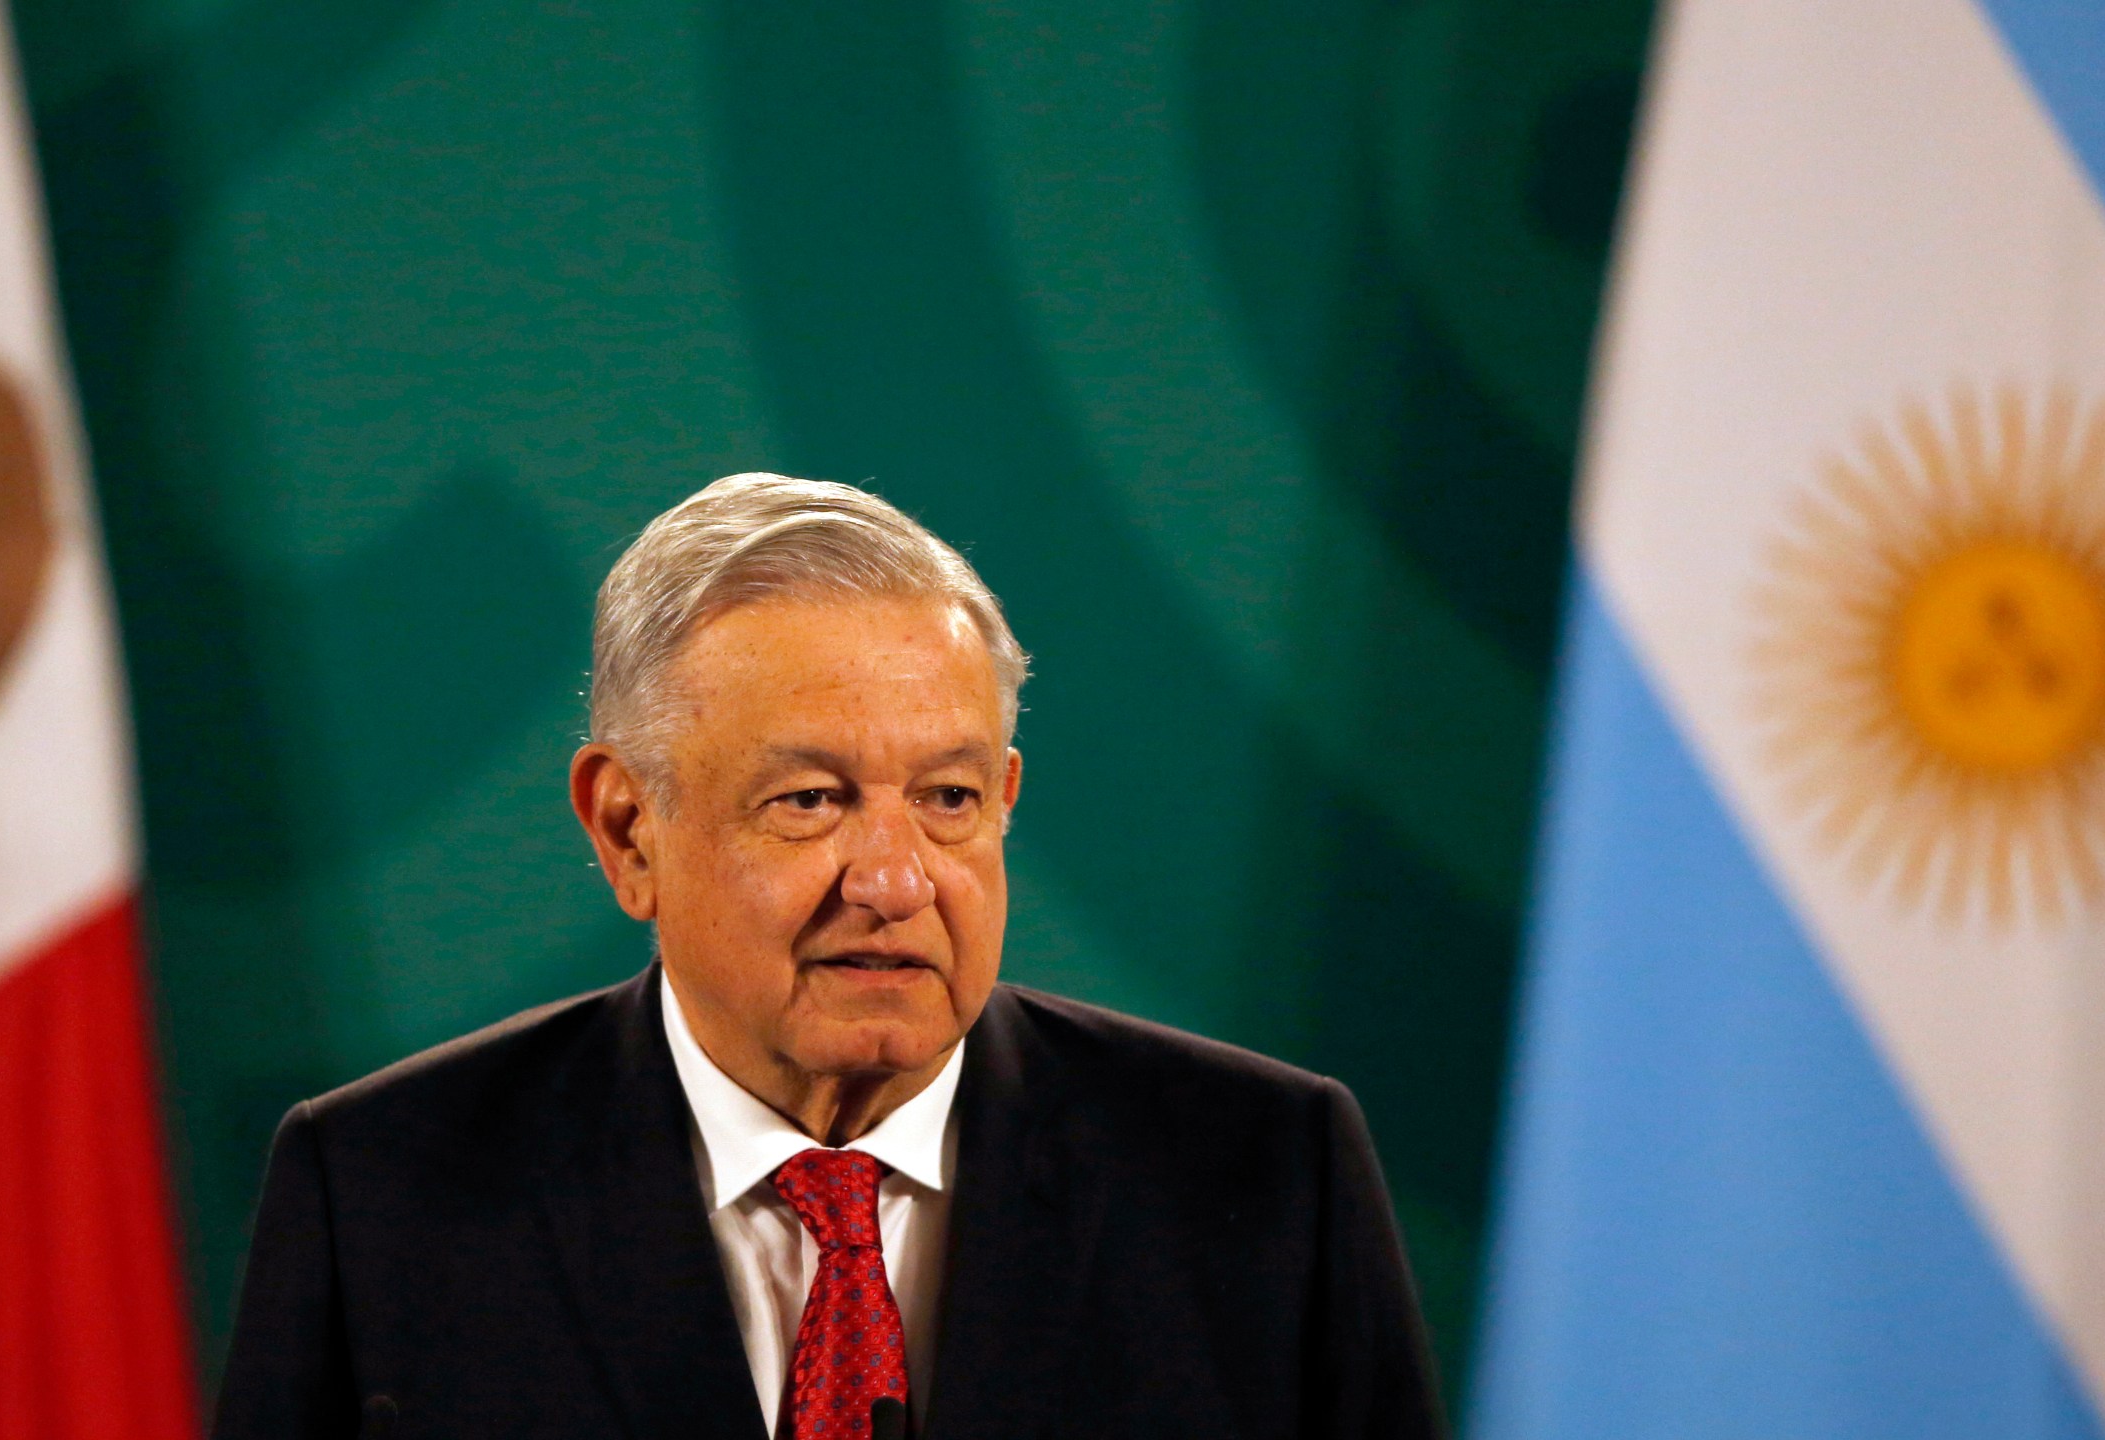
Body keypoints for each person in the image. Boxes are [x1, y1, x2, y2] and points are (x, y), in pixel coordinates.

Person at [212, 474, 1443, 1440]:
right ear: (627, 829)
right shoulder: (381, 1197)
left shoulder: (1266, 1181)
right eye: (809, 800)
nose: (896, 881)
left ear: (1006, 798)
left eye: (949, 798)